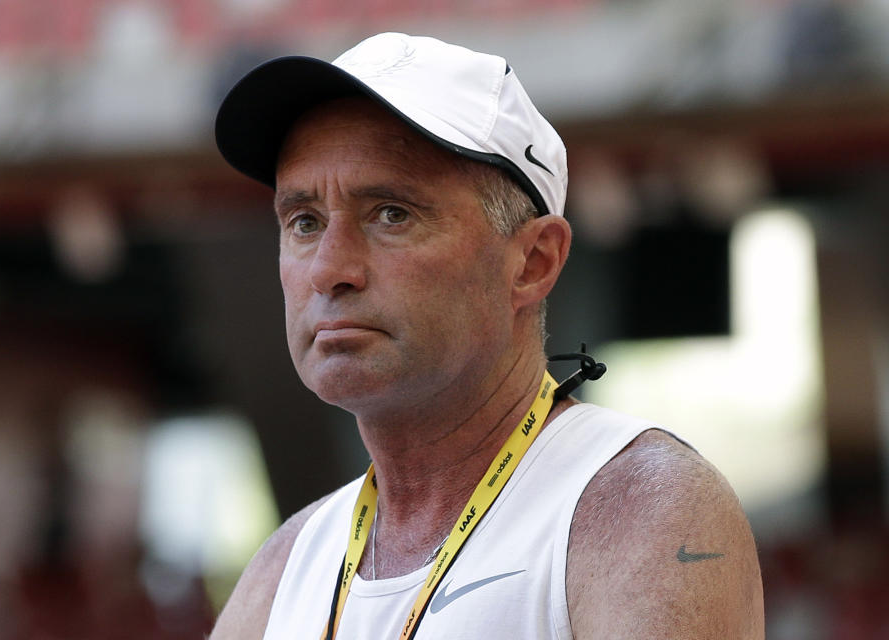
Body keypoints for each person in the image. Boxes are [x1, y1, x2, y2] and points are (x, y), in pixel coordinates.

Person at [209, 32, 764, 639]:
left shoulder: (641, 511)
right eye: (305, 222)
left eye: (391, 213)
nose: (328, 270)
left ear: (533, 263)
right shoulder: (284, 569)